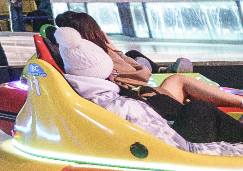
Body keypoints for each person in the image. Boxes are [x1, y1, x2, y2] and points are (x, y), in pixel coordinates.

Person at [54, 12, 243, 144]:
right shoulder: (95, 59)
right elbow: (141, 76)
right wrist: (113, 51)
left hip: (150, 105)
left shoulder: (79, 69)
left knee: (182, 88)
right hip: (152, 105)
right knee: (194, 103)